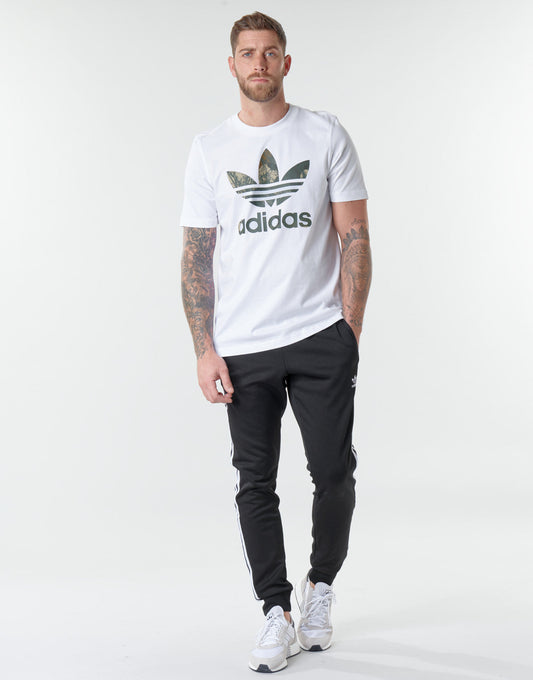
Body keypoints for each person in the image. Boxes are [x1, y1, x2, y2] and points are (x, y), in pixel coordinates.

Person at [180, 11, 372, 673]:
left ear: (285, 63)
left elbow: (354, 237)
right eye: (247, 53)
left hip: (319, 335)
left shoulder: (325, 134)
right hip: (243, 346)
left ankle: (320, 587)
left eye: (269, 52)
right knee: (254, 482)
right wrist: (204, 348)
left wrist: (348, 331)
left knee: (334, 473)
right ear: (232, 65)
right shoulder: (209, 150)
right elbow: (195, 258)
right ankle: (275, 610)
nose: (258, 63)